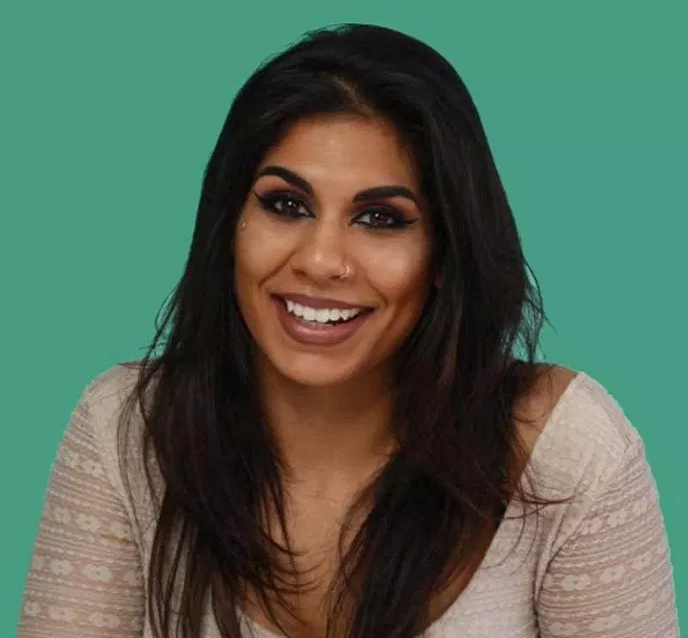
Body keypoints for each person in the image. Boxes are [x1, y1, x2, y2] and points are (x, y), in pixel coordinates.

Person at [16, 23, 678, 638]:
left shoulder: (567, 451)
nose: (320, 260)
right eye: (286, 205)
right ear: (229, 225)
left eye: (381, 218)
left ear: (445, 254)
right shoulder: (126, 430)